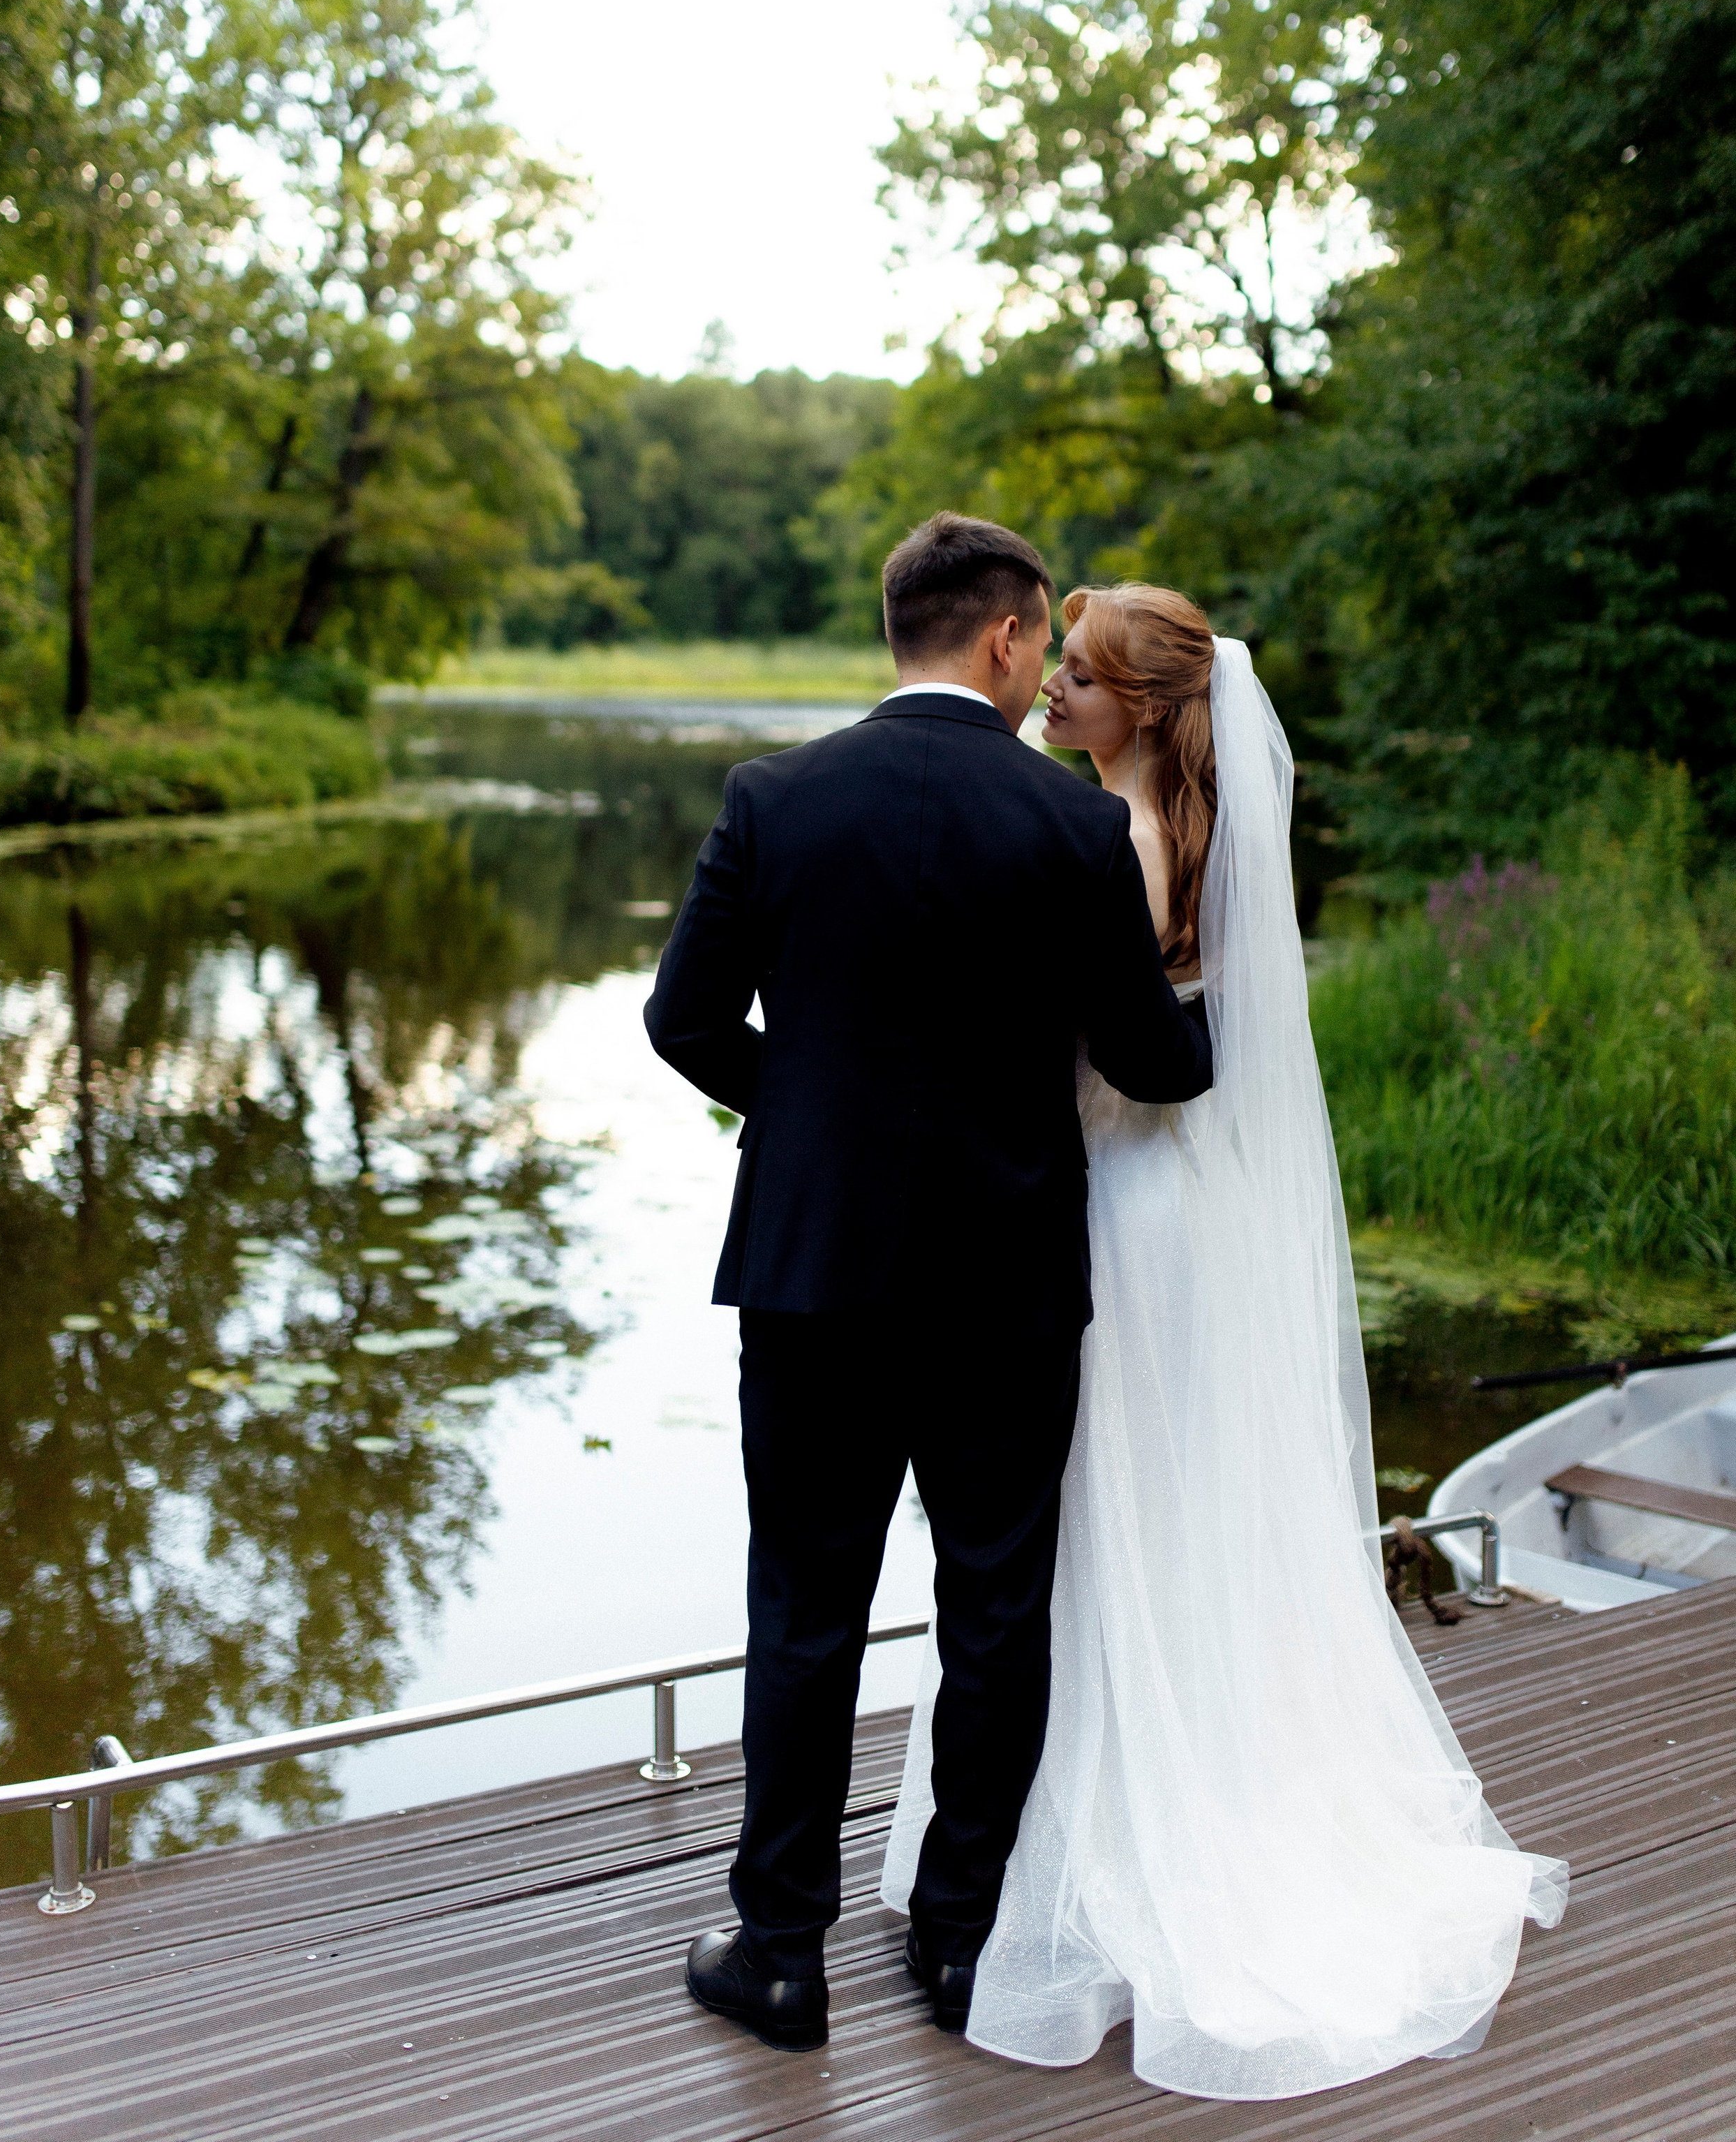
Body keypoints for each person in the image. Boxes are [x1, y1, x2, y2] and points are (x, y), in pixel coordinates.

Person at [882, 582, 1568, 2097]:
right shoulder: (1177, 832)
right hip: (1173, 1207)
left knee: (1090, 1525)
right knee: (1165, 1521)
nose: (1052, 691)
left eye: (1078, 676)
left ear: (1140, 705)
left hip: (1114, 1208)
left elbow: (1097, 1061)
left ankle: (1108, 1846)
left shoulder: (1106, 843)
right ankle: (1147, 1802)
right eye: (1052, 666)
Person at [644, 516, 1213, 2053]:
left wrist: (811, 1110)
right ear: (1009, 639)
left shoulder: (771, 798)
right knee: (994, 1612)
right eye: (1037, 651)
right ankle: (959, 1948)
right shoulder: (1068, 826)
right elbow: (1154, 1061)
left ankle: (778, 1954)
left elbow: (678, 1020)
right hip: (1005, 1280)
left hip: (812, 1273)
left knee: (805, 1609)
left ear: (898, 628)